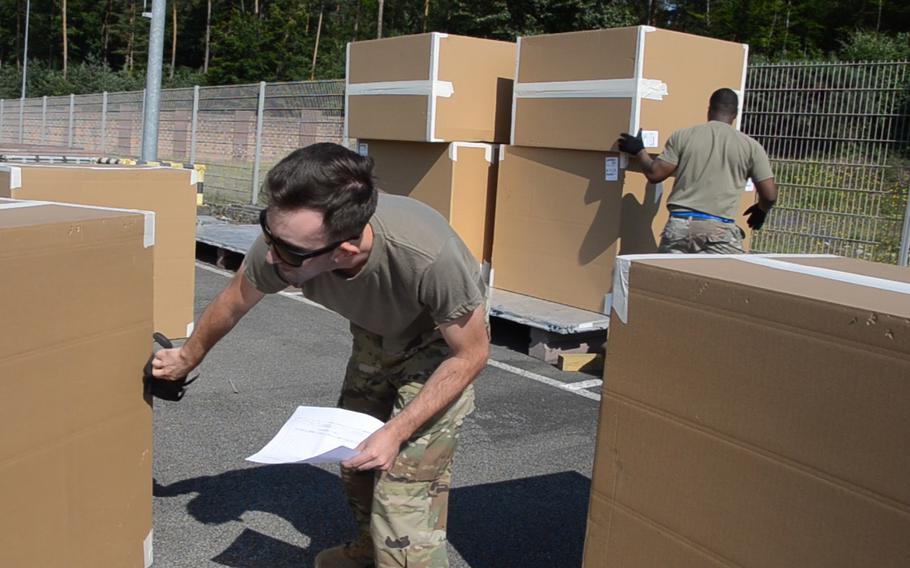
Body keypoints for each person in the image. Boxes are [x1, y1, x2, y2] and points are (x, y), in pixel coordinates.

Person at [151, 142, 490, 568]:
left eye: (287, 250)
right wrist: (188, 357)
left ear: (344, 251)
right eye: (267, 232)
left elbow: (471, 354)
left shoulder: (429, 256)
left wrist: (397, 430)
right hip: (375, 332)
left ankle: (394, 547)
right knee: (354, 458)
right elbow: (237, 296)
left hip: (441, 343)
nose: (270, 255)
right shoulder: (285, 241)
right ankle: (370, 548)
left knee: (403, 492)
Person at [617, 88, 779, 254]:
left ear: (709, 109)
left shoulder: (683, 136)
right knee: (726, 278)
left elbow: (655, 174)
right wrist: (761, 210)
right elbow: (769, 195)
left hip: (679, 226)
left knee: (667, 278)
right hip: (720, 231)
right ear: (735, 113)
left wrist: (639, 150)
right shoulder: (751, 147)